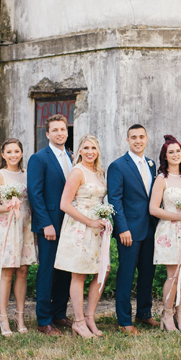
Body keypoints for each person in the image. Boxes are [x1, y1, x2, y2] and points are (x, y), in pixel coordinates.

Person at [56, 135, 112, 339]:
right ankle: (78, 322)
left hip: (98, 229)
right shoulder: (77, 172)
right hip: (80, 228)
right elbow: (65, 204)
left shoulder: (99, 172)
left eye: (94, 148)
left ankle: (89, 317)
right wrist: (89, 222)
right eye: (86, 147)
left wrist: (105, 218)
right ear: (79, 150)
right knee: (78, 275)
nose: (90, 151)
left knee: (101, 272)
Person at [107, 124, 159, 334]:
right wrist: (122, 229)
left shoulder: (151, 164)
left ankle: (144, 313)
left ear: (147, 139)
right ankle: (124, 319)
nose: (138, 140)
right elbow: (115, 199)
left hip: (150, 228)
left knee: (148, 273)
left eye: (141, 137)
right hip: (128, 230)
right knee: (126, 274)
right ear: (127, 140)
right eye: (133, 137)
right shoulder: (118, 166)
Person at [27, 114, 75, 337]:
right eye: (54, 130)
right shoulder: (39, 158)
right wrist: (45, 223)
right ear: (47, 134)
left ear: (67, 132)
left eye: (63, 129)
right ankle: (44, 320)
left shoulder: (73, 157)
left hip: (70, 225)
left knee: (65, 270)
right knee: (47, 272)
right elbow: (35, 194)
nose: (59, 133)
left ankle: (59, 313)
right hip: (50, 225)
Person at [0, 138, 35, 337]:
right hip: (6, 225)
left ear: (21, 153)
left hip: (25, 225)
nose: (13, 155)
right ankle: (3, 317)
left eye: (17, 151)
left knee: (23, 270)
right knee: (7, 271)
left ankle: (20, 316)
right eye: (9, 152)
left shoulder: (26, 175)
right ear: (3, 154)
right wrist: (6, 207)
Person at [150, 135, 181, 332]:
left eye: (178, 151)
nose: (175, 155)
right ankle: (167, 315)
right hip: (169, 230)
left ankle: (180, 314)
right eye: (171, 152)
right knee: (172, 275)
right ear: (165, 156)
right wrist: (177, 217)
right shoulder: (162, 179)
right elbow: (153, 209)